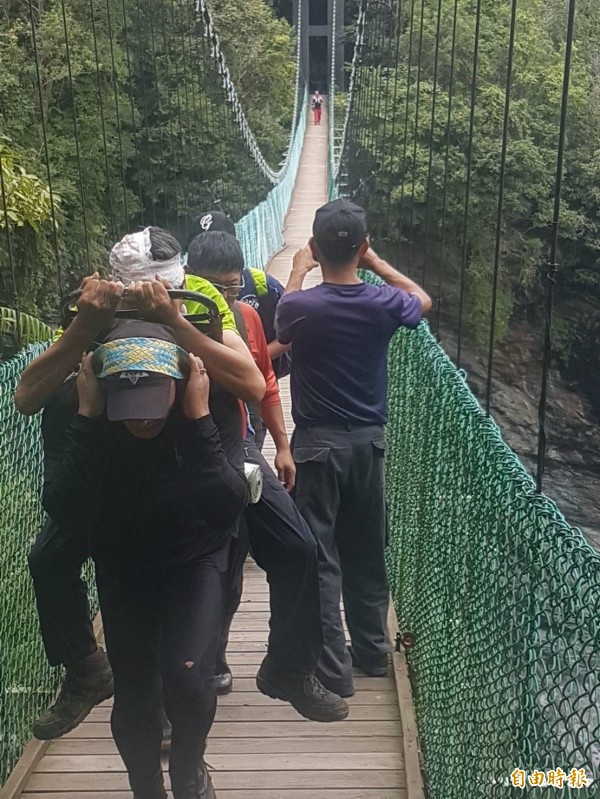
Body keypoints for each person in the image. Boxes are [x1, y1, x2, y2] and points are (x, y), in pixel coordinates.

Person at [15, 227, 264, 741]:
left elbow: (253, 385)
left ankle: (292, 657)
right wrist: (85, 327)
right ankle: (86, 667)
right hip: (113, 478)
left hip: (187, 466)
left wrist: (174, 320)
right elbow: (28, 396)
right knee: (49, 558)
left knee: (284, 538)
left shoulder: (199, 313)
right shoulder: (95, 324)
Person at [42, 320, 248, 799]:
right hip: (123, 562)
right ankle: (146, 788)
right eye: (129, 407)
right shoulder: (75, 405)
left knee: (188, 676)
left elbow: (227, 506)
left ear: (179, 381)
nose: (143, 420)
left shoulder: (211, 397)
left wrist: (197, 422)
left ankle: (189, 774)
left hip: (195, 557)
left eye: (155, 402)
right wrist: (90, 419)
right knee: (135, 693)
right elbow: (64, 508)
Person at [186, 230, 349, 723]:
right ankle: (192, 677)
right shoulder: (163, 326)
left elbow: (264, 386)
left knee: (298, 549)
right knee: (213, 574)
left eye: (233, 289)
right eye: (212, 288)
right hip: (187, 458)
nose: (223, 298)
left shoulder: (246, 318)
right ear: (184, 282)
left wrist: (281, 444)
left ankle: (286, 667)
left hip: (241, 449)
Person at [275, 198, 432, 698]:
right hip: (369, 446)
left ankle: (332, 669)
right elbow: (421, 300)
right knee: (366, 552)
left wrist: (298, 270)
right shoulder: (384, 304)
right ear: (361, 247)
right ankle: (373, 653)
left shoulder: (300, 306)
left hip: (316, 446)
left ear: (317, 248)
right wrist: (376, 262)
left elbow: (280, 321)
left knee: (320, 557)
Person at [186, 211, 291, 379]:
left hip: (257, 377)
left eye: (232, 287)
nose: (221, 294)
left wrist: (251, 362)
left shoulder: (259, 286)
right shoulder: (178, 301)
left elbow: (289, 332)